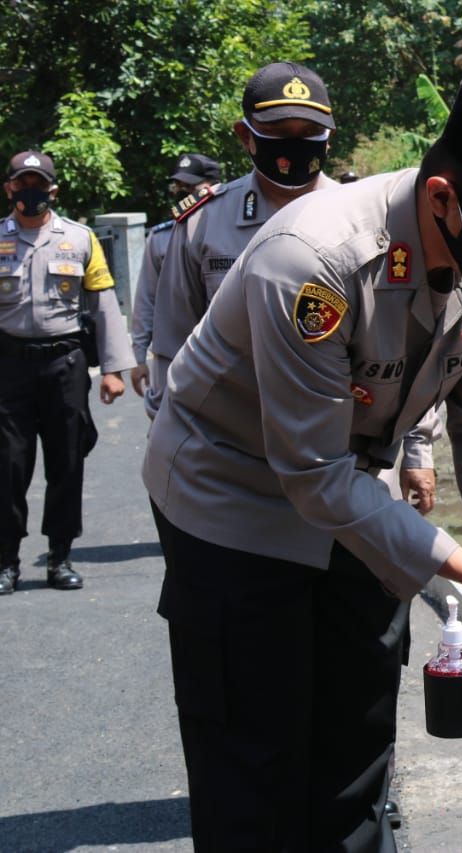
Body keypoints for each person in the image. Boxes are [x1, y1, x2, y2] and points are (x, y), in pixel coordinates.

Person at [142, 64, 462, 850]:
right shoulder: (313, 259)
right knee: (255, 757)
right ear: (444, 197)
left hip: (357, 485)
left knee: (357, 745)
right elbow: (309, 472)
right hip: (231, 490)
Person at [145, 61, 340, 419]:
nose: (295, 144)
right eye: (279, 132)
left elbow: (398, 346)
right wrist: (164, 421)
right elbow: (173, 339)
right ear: (244, 135)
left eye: (310, 131)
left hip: (337, 427)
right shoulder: (202, 221)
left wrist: (416, 449)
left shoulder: (360, 219)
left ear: (328, 139)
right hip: (230, 429)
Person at [0, 150, 132, 594]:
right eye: (22, 184)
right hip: (9, 367)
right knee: (8, 466)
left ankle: (60, 557)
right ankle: (7, 562)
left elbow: (104, 305)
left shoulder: (80, 239)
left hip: (65, 365)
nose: (30, 192)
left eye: (38, 184)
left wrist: (114, 369)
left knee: (67, 461)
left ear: (53, 191)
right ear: (9, 189)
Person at [129, 152, 221, 399]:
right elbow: (146, 298)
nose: (182, 193)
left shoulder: (229, 235)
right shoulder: (160, 238)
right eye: (178, 186)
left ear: (212, 187)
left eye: (190, 186)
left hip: (223, 357)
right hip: (172, 356)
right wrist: (138, 356)